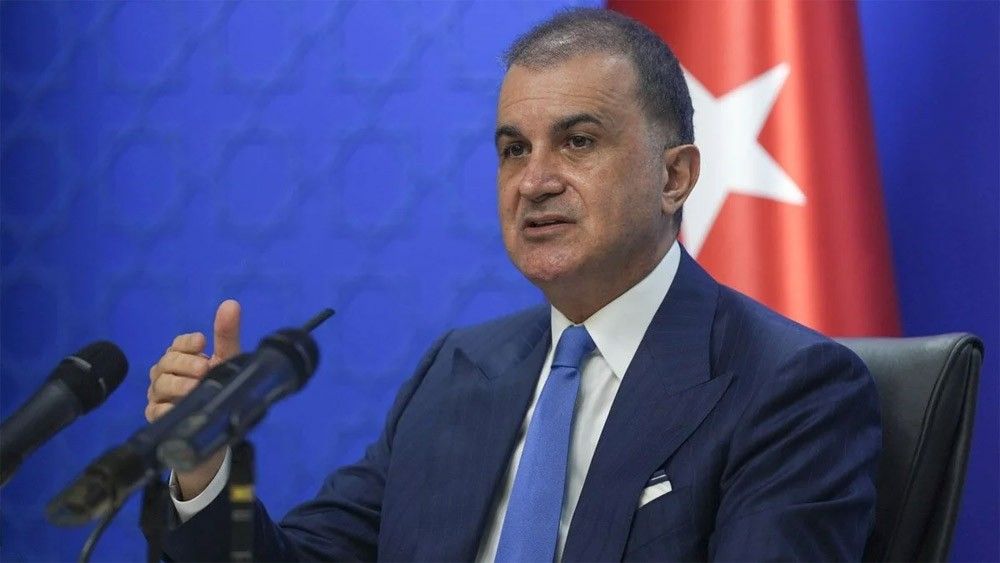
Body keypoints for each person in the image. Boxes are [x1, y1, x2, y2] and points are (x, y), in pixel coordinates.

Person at [147, 8, 880, 562]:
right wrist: (206, 475)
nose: (533, 182)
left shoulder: (789, 388)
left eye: (578, 141)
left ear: (674, 176)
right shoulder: (458, 371)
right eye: (512, 149)